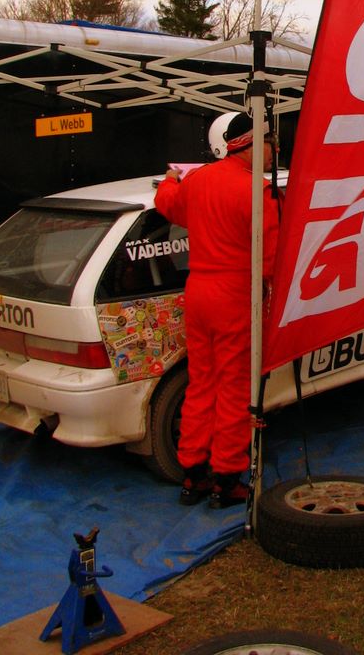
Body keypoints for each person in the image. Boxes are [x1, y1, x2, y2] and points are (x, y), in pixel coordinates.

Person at [154, 111, 280, 507]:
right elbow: (272, 259)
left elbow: (168, 204)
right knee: (233, 388)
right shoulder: (260, 192)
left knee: (201, 383)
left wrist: (170, 179)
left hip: (198, 292)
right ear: (252, 145)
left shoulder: (198, 181)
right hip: (235, 295)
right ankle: (226, 479)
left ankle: (193, 473)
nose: (274, 151)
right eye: (270, 144)